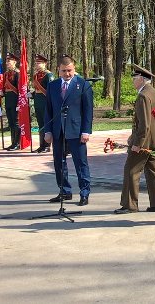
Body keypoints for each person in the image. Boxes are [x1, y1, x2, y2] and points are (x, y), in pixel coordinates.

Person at [114, 65, 155, 214]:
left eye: (134, 78)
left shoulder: (143, 95)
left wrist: (137, 143)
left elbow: (144, 124)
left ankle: (129, 205)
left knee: (131, 170)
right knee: (153, 170)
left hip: (144, 141)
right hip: (154, 140)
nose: (133, 81)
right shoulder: (153, 92)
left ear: (141, 79)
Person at [42, 55, 94, 206]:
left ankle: (84, 193)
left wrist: (86, 131)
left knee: (80, 163)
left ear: (74, 69)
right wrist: (48, 131)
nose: (67, 74)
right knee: (59, 163)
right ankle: (64, 191)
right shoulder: (52, 86)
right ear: (58, 70)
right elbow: (48, 110)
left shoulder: (83, 85)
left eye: (70, 70)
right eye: (64, 71)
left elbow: (88, 110)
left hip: (76, 131)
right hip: (58, 131)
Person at [30, 54, 53, 153]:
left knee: (46, 123)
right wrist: (32, 94)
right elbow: (37, 90)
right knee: (40, 123)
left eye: (40, 63)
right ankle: (41, 145)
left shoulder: (48, 75)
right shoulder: (36, 75)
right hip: (38, 100)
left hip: (45, 101)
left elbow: (50, 91)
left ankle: (47, 145)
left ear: (45, 64)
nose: (38, 64)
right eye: (36, 63)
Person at [0, 53, 22, 150]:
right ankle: (13, 142)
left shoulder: (18, 74)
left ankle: (17, 143)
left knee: (16, 123)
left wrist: (19, 103)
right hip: (8, 101)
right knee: (11, 122)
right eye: (7, 61)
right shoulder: (6, 74)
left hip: (15, 100)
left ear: (15, 62)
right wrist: (1, 93)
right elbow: (5, 87)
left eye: (9, 61)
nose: (7, 63)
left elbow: (20, 89)